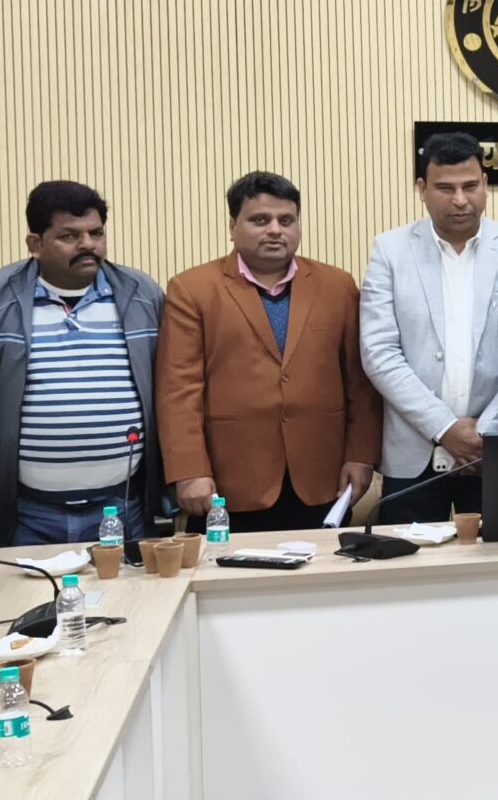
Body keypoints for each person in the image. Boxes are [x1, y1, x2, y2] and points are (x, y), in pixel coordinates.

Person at [160, 173, 381, 533]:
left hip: (320, 476)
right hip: (229, 482)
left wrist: (361, 456)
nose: (275, 230)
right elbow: (178, 390)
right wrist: (189, 470)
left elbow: (360, 383)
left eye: (286, 220)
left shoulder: (337, 286)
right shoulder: (193, 289)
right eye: (260, 220)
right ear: (232, 226)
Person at [0, 181, 166, 545]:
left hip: (122, 507)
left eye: (96, 233)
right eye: (69, 236)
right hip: (27, 515)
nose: (88, 244)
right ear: (35, 244)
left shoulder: (142, 294)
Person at [362, 133, 498, 524]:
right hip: (414, 454)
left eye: (470, 186)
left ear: (486, 185)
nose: (460, 200)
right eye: (445, 188)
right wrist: (444, 427)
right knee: (407, 560)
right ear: (422, 189)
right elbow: (379, 352)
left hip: (496, 448)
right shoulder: (390, 251)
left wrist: (483, 432)